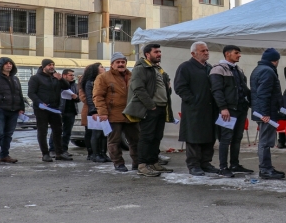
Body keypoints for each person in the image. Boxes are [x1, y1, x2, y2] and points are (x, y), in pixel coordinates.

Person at [124, 44, 175, 177]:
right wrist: (150, 105)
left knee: (157, 137)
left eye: (160, 51)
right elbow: (138, 88)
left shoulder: (157, 69)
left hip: (161, 108)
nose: (159, 54)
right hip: (151, 108)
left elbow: (164, 87)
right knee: (147, 137)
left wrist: (168, 87)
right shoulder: (141, 68)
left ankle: (153, 162)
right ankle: (142, 165)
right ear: (147, 54)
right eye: (156, 52)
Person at [174, 41, 219, 176]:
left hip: (209, 109)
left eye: (207, 50)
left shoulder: (209, 68)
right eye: (202, 51)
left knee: (209, 137)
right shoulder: (185, 67)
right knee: (194, 138)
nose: (206, 53)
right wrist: (193, 101)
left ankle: (205, 163)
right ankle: (193, 165)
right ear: (193, 53)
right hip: (194, 110)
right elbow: (180, 87)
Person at [209, 45, 253, 177]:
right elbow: (216, 90)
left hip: (240, 109)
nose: (239, 55)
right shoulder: (218, 69)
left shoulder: (238, 69)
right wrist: (223, 108)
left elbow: (243, 88)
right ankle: (223, 167)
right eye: (236, 53)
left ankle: (234, 164)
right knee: (225, 138)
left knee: (237, 137)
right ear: (227, 54)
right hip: (228, 110)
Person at [94, 52, 140, 173]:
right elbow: (98, 96)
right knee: (114, 141)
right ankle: (118, 163)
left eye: (123, 62)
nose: (120, 64)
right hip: (113, 113)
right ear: (112, 64)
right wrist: (103, 112)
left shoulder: (131, 75)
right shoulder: (103, 77)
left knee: (136, 140)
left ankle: (137, 163)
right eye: (118, 62)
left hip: (131, 113)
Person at [250, 48, 285, 180]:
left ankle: (267, 167)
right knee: (265, 142)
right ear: (275, 60)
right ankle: (265, 169)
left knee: (264, 141)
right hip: (266, 113)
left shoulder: (258, 69)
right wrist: (265, 113)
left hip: (262, 112)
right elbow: (263, 94)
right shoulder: (267, 71)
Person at [28, 59, 72, 162]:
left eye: (53, 65)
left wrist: (61, 79)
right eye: (49, 65)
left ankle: (59, 153)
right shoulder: (35, 78)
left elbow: (67, 87)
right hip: (41, 109)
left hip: (54, 108)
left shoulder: (55, 78)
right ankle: (45, 154)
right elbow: (31, 93)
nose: (51, 67)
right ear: (43, 67)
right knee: (42, 131)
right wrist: (39, 102)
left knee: (58, 130)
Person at [47, 69, 79, 159]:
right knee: (56, 130)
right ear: (64, 76)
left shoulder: (75, 86)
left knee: (67, 132)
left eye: (73, 75)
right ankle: (53, 149)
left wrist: (76, 97)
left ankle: (64, 150)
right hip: (60, 110)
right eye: (70, 75)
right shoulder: (58, 84)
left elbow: (78, 98)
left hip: (71, 111)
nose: (72, 77)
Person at [80, 63, 108, 163]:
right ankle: (95, 154)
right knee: (96, 133)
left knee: (104, 133)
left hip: (103, 110)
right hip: (95, 111)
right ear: (95, 70)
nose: (104, 68)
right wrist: (94, 111)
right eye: (101, 67)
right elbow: (89, 98)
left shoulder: (103, 80)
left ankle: (103, 153)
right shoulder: (90, 82)